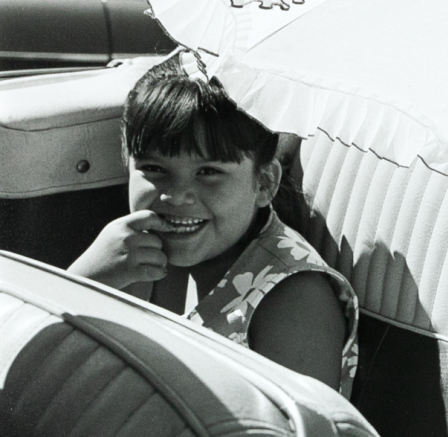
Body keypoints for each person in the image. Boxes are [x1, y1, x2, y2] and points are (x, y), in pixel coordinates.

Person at [68, 51, 360, 397]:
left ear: (264, 183)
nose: (176, 196)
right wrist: (82, 282)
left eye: (208, 172)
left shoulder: (292, 297)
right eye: (154, 169)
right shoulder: (129, 254)